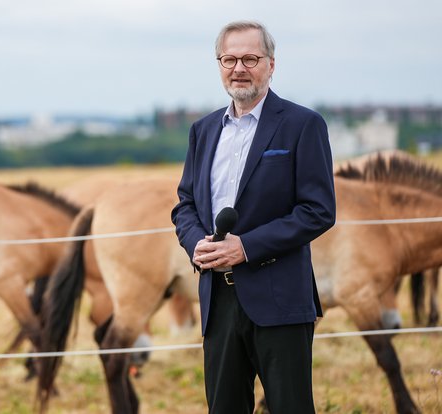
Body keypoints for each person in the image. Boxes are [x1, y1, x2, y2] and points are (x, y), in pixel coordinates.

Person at [171, 21, 335, 413]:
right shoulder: (203, 130)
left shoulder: (302, 125)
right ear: (219, 64)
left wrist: (246, 247)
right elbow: (185, 205)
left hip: (280, 299)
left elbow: (318, 211)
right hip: (218, 300)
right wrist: (196, 243)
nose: (239, 68)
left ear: (271, 65)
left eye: (250, 58)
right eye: (229, 59)